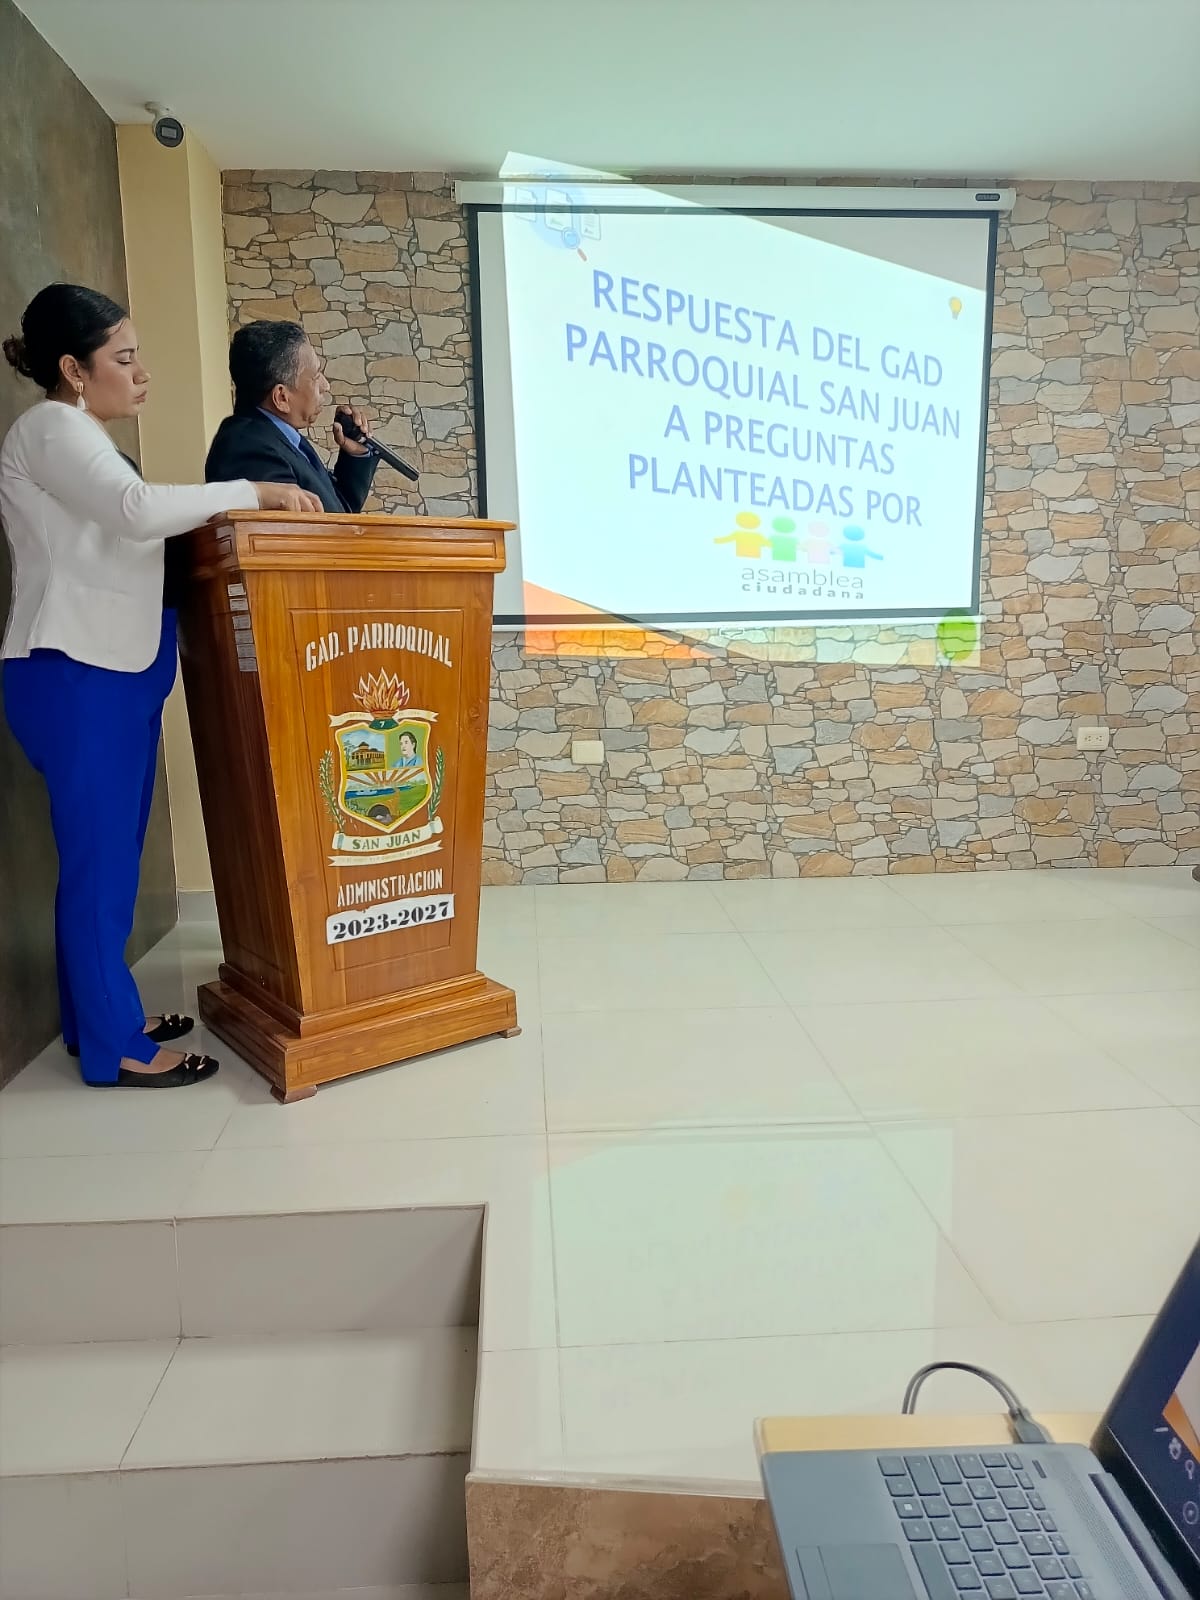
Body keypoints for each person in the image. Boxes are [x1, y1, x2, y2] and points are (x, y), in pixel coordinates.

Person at [0, 283, 321, 1089]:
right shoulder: (50, 428)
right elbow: (137, 511)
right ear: (73, 370)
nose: (142, 374)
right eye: (125, 358)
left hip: (114, 670)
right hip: (74, 672)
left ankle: (99, 1022)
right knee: (100, 869)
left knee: (108, 864)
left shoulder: (83, 437)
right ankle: (118, 1050)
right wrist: (255, 493)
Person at [204, 320, 377, 512]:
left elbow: (339, 512)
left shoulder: (279, 437)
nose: (325, 386)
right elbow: (310, 529)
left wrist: (355, 453)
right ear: (281, 397)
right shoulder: (249, 450)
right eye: (316, 375)